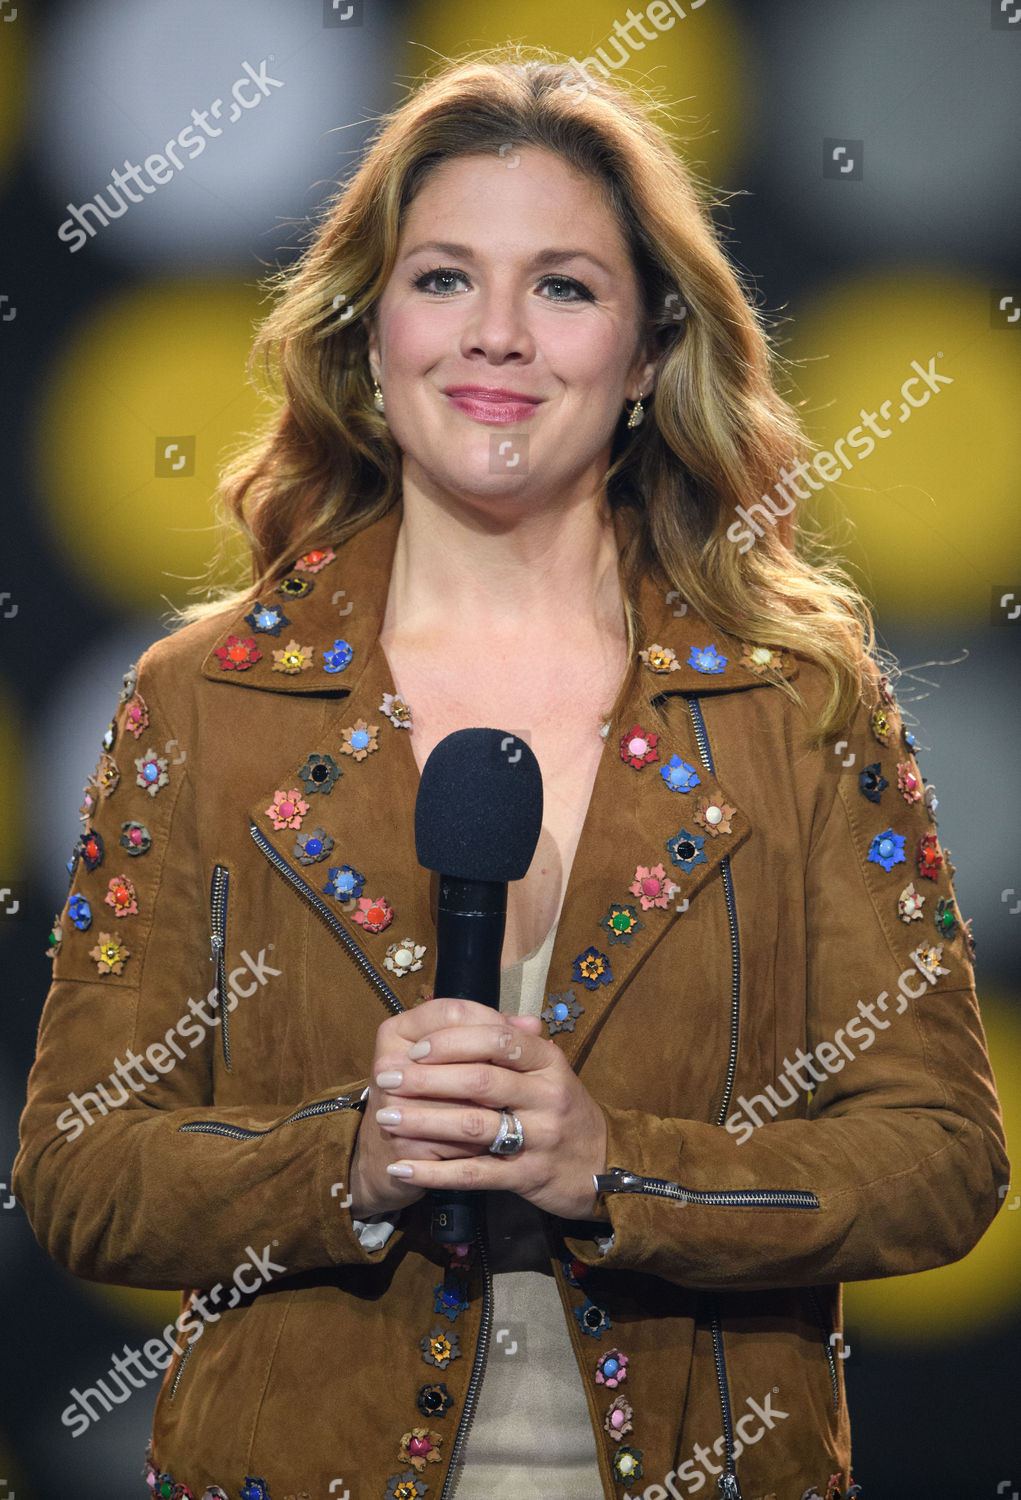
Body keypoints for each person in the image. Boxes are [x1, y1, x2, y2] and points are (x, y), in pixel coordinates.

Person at [14, 47, 1007, 1500]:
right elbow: (81, 1174)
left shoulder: (792, 701)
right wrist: (346, 1160)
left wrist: (618, 1169)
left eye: (561, 286)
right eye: (440, 280)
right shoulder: (203, 703)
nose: (494, 336)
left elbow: (937, 1160)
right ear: (366, 338)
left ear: (650, 351)